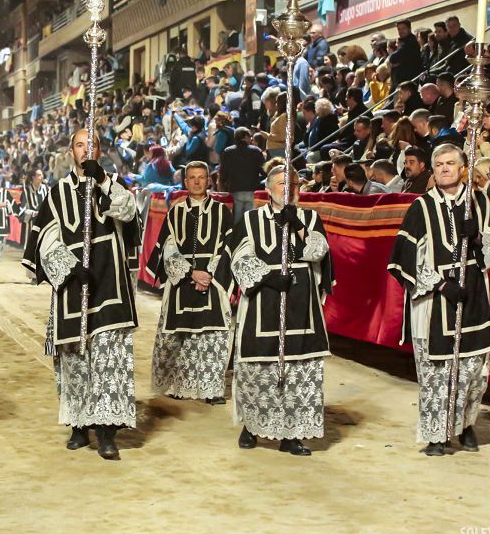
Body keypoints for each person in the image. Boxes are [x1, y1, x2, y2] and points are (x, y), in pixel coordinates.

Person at [23, 128, 140, 460]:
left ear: (100, 151)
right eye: (79, 144)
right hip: (73, 288)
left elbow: (129, 212)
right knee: (75, 360)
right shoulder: (57, 192)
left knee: (109, 361)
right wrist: (71, 268)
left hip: (111, 287)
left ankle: (106, 430)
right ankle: (78, 425)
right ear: (70, 151)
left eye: (92, 145)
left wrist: (102, 180)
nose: (86, 149)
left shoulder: (112, 184)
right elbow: (45, 239)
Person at [388, 143, 490, 456]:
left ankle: (466, 425)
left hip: (474, 296)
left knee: (473, 370)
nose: (443, 168)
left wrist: (478, 236)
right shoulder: (421, 207)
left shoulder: (479, 201)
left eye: (450, 163)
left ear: (462, 167)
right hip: (435, 299)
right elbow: (405, 259)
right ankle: (436, 436)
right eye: (438, 164)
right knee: (435, 373)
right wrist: (440, 284)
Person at [217, 164, 333, 454]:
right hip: (262, 302)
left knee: (297, 369)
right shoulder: (251, 219)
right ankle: (252, 425)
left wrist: (297, 226)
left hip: (302, 306)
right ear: (268, 189)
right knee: (260, 369)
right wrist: (268, 276)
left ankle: (291, 434)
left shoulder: (309, 218)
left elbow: (317, 252)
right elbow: (239, 259)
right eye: (281, 183)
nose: (288, 188)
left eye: (293, 184)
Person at [147, 162, 232, 403]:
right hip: (181, 282)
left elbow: (228, 248)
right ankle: (179, 384)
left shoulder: (222, 211)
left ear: (209, 181)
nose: (196, 182)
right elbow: (168, 247)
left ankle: (210, 389)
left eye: (201, 177)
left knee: (211, 335)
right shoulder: (175, 211)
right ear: (185, 182)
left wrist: (208, 276)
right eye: (192, 178)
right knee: (180, 335)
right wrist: (190, 273)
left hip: (212, 282)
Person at [218, 126, 264, 222]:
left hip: (234, 189)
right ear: (246, 136)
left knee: (237, 219)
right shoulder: (256, 151)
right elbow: (263, 170)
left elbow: (223, 171)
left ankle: (237, 236)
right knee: (250, 220)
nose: (251, 139)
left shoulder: (228, 151)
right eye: (250, 136)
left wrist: (221, 184)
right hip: (252, 189)